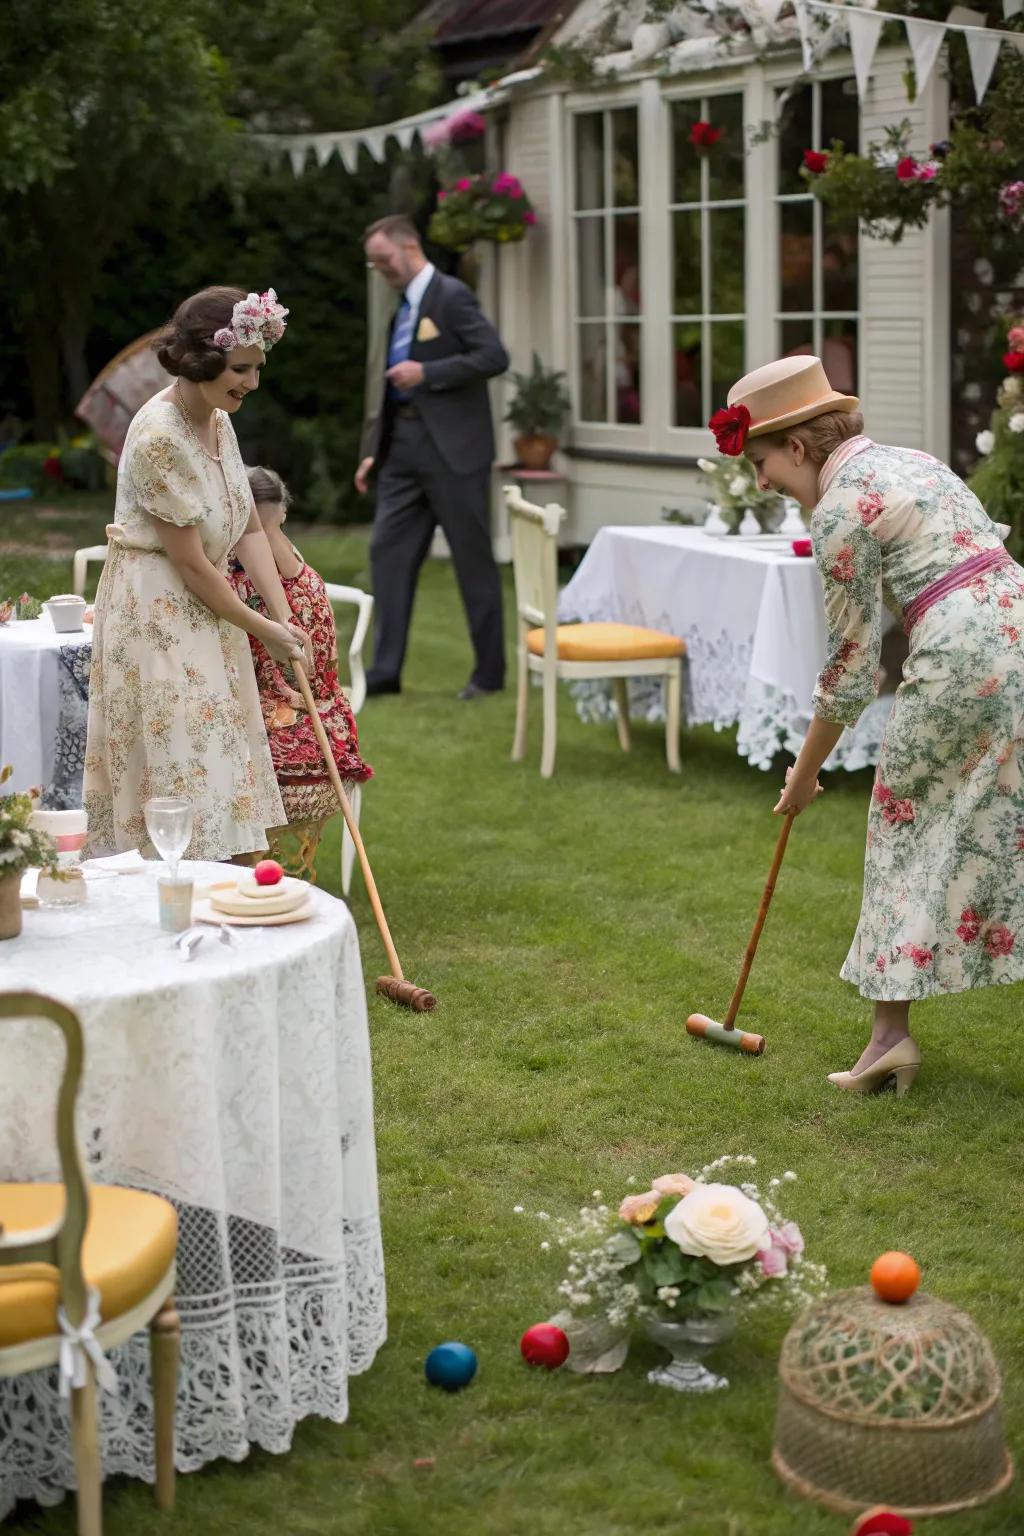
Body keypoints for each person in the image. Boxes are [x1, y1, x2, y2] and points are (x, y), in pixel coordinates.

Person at [711, 355, 1024, 1095]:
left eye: (760, 462)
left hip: (962, 657)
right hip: (1019, 624)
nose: (760, 482)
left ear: (796, 446)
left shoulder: (840, 506)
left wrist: (807, 771)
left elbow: (852, 671)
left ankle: (889, 1040)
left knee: (900, 823)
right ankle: (889, 1038)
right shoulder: (911, 460)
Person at [84, 285, 313, 862]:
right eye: (241, 369)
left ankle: (223, 908)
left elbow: (247, 528)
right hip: (158, 613)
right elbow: (188, 564)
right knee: (183, 768)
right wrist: (262, 630)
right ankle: (175, 903)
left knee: (219, 763)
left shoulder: (217, 418)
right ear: (201, 359)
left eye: (257, 369)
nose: (252, 384)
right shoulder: (160, 436)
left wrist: (284, 620)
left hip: (208, 613)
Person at [356, 214, 509, 700]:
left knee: (472, 562)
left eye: (385, 260)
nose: (382, 270)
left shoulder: (451, 296)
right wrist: (373, 454)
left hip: (455, 452)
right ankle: (384, 671)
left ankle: (489, 674)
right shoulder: (401, 306)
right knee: (388, 552)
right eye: (375, 264)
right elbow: (382, 389)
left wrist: (428, 371)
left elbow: (493, 356)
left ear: (409, 247)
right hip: (402, 451)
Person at [228, 465, 372, 878]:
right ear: (284, 513)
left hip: (299, 723)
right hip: (326, 715)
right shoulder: (299, 568)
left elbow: (300, 678)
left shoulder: (245, 582)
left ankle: (232, 870)